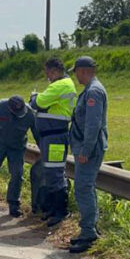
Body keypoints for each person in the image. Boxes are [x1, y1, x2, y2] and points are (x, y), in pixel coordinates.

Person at [29, 57, 77, 227]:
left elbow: (38, 102)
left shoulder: (60, 85)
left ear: (55, 70)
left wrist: (35, 98)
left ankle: (61, 211)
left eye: (48, 71)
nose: (47, 75)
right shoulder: (62, 84)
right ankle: (52, 209)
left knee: (55, 173)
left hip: (55, 136)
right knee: (51, 172)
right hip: (52, 136)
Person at [68, 56, 108, 253]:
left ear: (83, 71)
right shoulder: (91, 89)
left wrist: (85, 150)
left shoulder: (93, 91)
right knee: (86, 187)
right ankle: (90, 228)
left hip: (89, 149)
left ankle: (88, 232)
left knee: (83, 188)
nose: (76, 76)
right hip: (87, 147)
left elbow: (93, 124)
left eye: (76, 72)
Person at [0, 95, 37, 217]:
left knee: (17, 174)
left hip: (16, 148)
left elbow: (37, 133)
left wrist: (43, 149)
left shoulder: (29, 114)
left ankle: (14, 204)